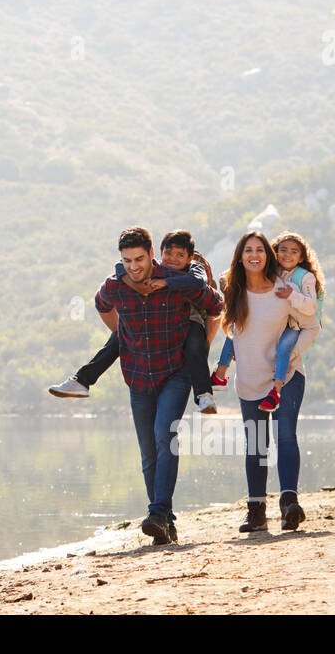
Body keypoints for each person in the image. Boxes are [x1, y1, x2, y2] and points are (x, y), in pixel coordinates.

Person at [92, 227, 224, 545]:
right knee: (148, 453)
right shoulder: (116, 284)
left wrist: (201, 343)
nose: (134, 266)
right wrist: (123, 334)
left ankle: (158, 513)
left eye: (139, 259)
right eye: (126, 260)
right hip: (137, 376)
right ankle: (165, 522)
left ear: (152, 252)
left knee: (166, 436)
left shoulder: (175, 278)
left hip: (174, 373)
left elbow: (216, 304)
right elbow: (100, 304)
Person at [50, 230, 223, 413]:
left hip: (191, 317)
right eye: (169, 254)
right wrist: (125, 330)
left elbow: (199, 283)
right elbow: (119, 269)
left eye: (180, 255)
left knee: (195, 345)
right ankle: (82, 381)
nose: (173, 259)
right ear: (159, 254)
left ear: (190, 258)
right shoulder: (145, 272)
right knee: (117, 339)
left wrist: (166, 283)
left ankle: (204, 394)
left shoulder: (192, 269)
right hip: (156, 337)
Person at [219, 231, 318, 533]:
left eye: (260, 250)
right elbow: (230, 334)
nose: (254, 255)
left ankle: (290, 505)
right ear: (240, 257)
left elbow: (312, 326)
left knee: (285, 436)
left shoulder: (284, 290)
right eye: (248, 250)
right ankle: (256, 512)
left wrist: (287, 358)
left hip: (286, 377)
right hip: (249, 380)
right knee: (256, 445)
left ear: (268, 256)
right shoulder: (234, 293)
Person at [212, 231, 324, 411]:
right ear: (275, 253)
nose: (288, 255)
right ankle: (219, 374)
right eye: (283, 250)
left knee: (283, 351)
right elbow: (231, 274)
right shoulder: (273, 273)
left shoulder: (301, 279)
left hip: (293, 325)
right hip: (249, 381)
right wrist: (227, 284)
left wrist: (291, 295)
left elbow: (311, 316)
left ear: (302, 256)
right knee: (232, 332)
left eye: (294, 252)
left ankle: (276, 390)